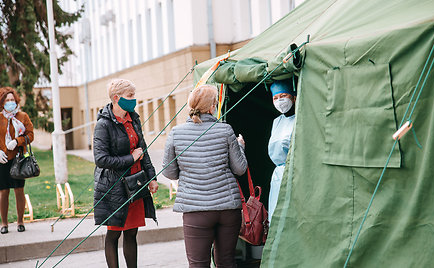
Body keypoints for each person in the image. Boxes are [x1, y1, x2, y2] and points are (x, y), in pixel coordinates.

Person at [162, 84, 247, 268]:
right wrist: (240, 146)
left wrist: (187, 171)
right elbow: (240, 169)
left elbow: (168, 172)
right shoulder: (225, 130)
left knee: (198, 264)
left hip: (195, 210)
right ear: (211, 107)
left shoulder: (176, 133)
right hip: (227, 207)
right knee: (226, 262)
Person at [93, 79, 159, 268]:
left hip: (136, 183)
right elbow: (101, 159)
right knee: (114, 233)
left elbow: (142, 150)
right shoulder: (103, 125)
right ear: (116, 98)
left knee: (132, 232)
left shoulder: (133, 118)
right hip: (115, 187)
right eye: (130, 96)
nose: (133, 99)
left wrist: (152, 177)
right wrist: (130, 159)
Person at [0, 87, 34, 234]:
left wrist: (18, 141)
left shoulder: (22, 116)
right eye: (7, 100)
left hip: (18, 159)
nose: (10, 103)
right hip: (2, 160)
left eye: (12, 100)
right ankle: (4, 223)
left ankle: (20, 221)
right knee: (3, 192)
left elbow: (30, 135)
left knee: (19, 190)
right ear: (2, 103)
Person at [268, 79, 297, 223]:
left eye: (283, 96)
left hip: (295, 173)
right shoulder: (276, 122)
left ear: (294, 97)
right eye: (275, 98)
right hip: (278, 176)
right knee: (276, 216)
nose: (280, 101)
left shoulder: (300, 120)